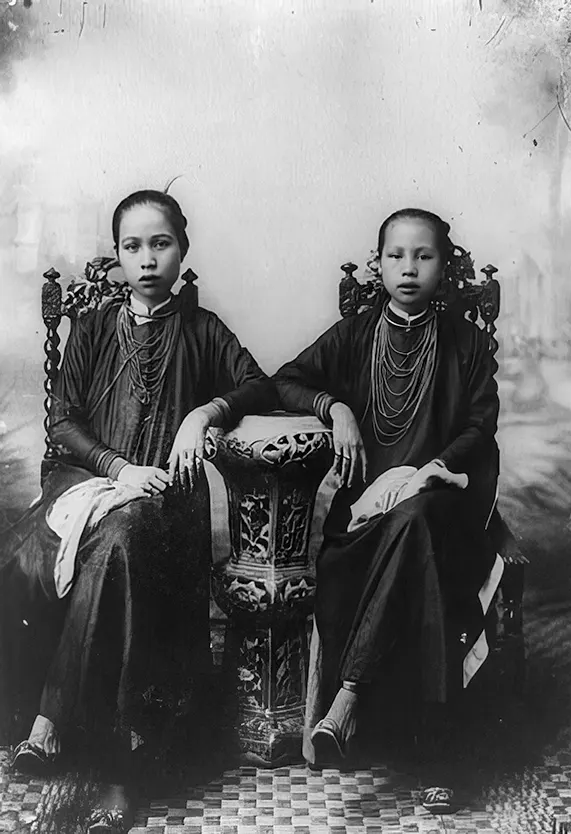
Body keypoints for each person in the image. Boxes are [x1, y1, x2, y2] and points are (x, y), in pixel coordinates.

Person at [0, 189, 277, 830]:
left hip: (165, 506)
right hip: (91, 486)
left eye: (161, 243)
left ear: (182, 248)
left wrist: (205, 413)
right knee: (43, 544)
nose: (147, 259)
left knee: (125, 540)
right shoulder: (95, 327)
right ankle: (46, 710)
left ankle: (74, 733)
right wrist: (117, 469)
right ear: (118, 255)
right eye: (132, 246)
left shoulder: (203, 330)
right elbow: (63, 421)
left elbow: (259, 382)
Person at [273, 209, 506, 796]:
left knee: (420, 518)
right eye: (395, 256)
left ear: (445, 267)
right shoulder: (355, 335)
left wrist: (431, 469)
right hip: (364, 524)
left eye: (423, 256)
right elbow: (286, 380)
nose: (408, 268)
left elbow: (481, 425)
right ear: (377, 264)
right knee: (407, 528)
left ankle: (348, 698)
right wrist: (338, 408)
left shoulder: (465, 340)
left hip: (445, 511)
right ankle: (429, 752)